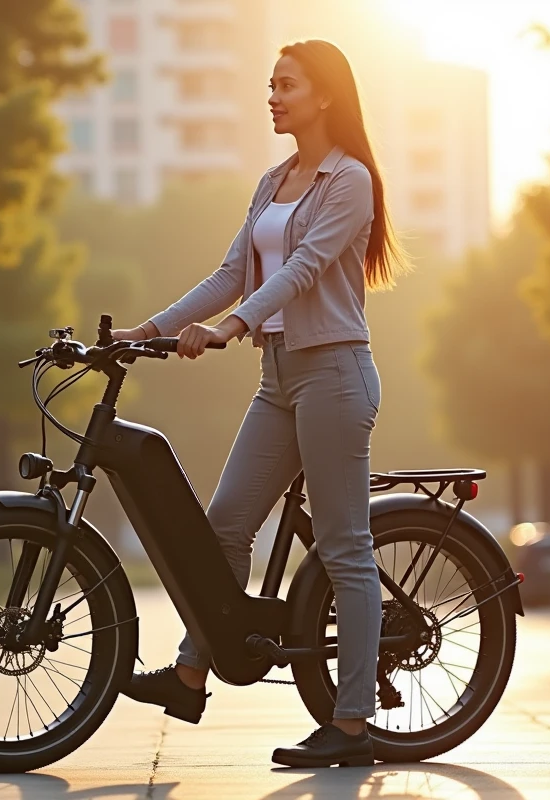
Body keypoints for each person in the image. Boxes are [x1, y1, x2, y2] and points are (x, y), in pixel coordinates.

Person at [111, 39, 409, 768]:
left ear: (326, 96)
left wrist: (233, 326)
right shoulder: (274, 180)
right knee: (227, 524)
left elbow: (305, 271)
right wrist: (151, 328)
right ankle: (189, 675)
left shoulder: (350, 181)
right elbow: (229, 273)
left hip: (335, 374)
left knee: (344, 548)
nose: (272, 96)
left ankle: (352, 724)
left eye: (287, 85)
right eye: (269, 85)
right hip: (279, 379)